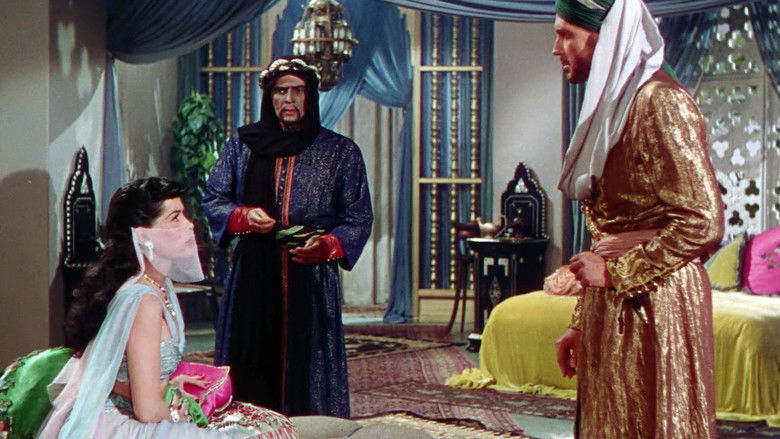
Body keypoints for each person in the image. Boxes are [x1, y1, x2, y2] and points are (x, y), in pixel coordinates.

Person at [550, 0, 724, 437]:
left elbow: (703, 221)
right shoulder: (613, 106)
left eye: (566, 34)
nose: (556, 48)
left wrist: (616, 272)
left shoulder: (660, 102)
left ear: (605, 36)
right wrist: (580, 322)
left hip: (657, 299)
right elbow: (610, 232)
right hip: (615, 297)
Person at [36, 177, 297, 438]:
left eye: (184, 215)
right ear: (144, 236)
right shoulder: (144, 301)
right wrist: (180, 420)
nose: (189, 225)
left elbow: (127, 375)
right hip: (120, 424)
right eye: (175, 218)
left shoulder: (160, 287)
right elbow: (148, 411)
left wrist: (166, 384)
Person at [202, 57, 373, 418]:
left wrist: (328, 246)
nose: (289, 99)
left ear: (311, 97)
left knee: (306, 362)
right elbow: (214, 197)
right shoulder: (243, 144)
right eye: (281, 91)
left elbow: (358, 216)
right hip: (252, 271)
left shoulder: (340, 152)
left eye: (298, 91)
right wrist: (243, 216)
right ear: (270, 97)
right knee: (249, 358)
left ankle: (310, 429)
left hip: (310, 273)